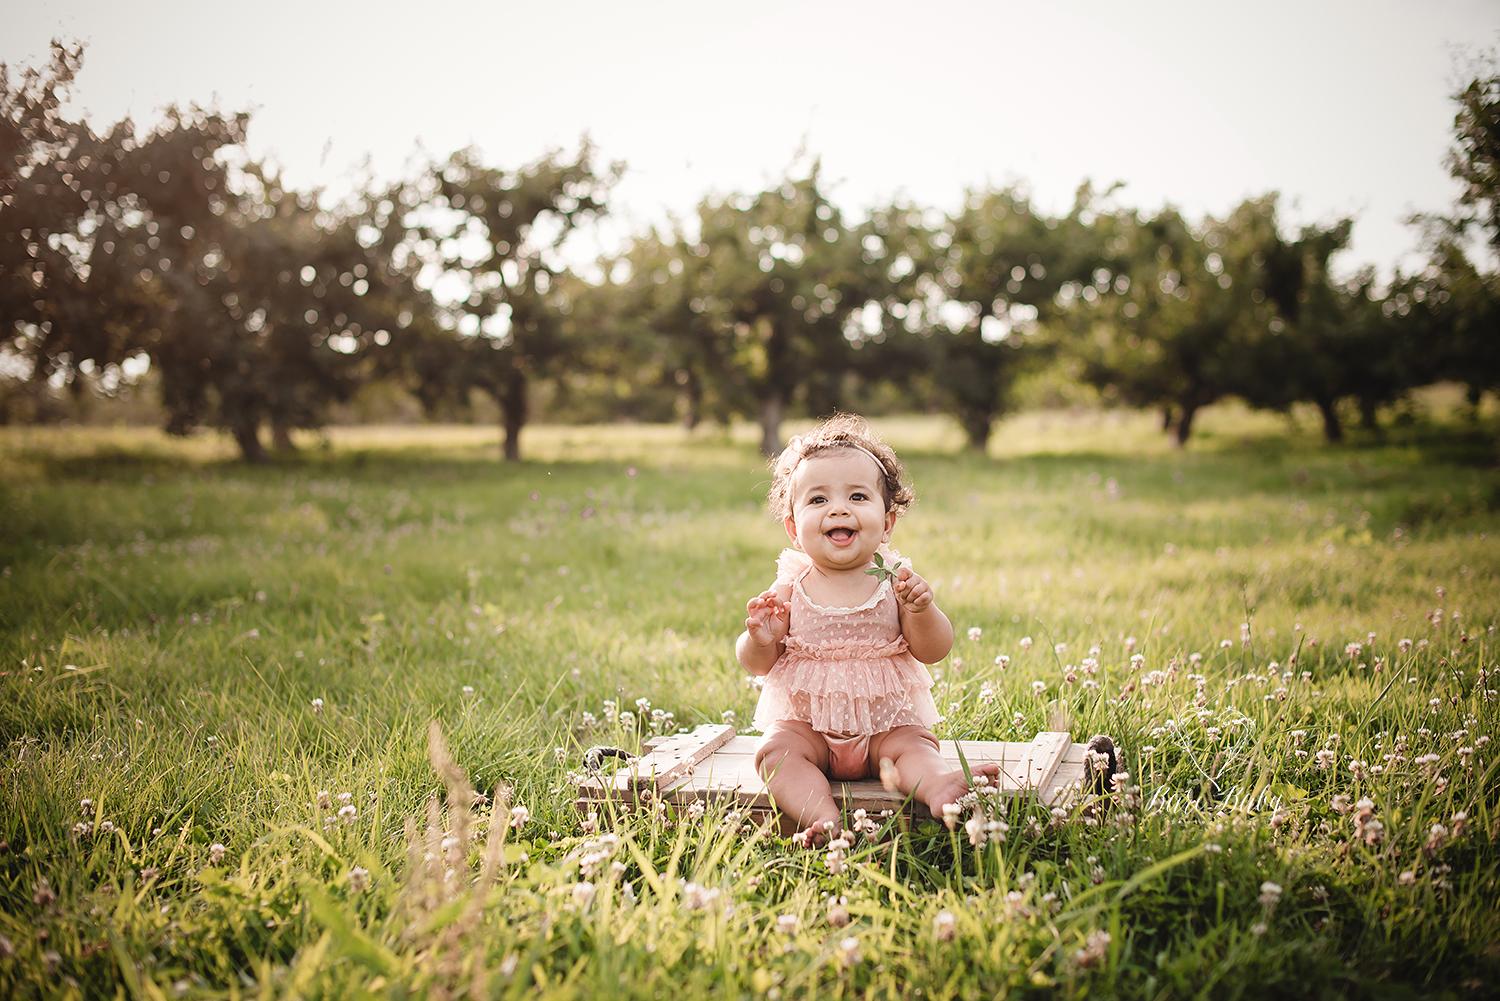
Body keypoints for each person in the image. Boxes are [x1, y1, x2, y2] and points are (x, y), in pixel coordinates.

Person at [735, 414, 999, 842]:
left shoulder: (896, 579)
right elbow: (756, 663)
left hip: (885, 725)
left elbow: (933, 649)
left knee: (914, 746)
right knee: (775, 753)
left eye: (857, 496)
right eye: (818, 500)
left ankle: (936, 785)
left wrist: (921, 612)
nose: (838, 508)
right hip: (808, 726)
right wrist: (759, 638)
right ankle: (820, 816)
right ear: (793, 529)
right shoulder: (790, 584)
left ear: (888, 523)